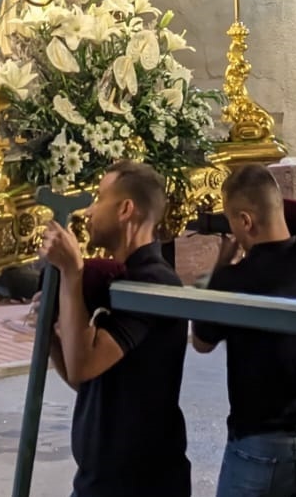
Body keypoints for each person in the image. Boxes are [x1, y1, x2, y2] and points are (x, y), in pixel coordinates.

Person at [192, 163, 296, 497]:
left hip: (260, 450)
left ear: (245, 221)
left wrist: (221, 266)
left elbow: (201, 341)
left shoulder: (233, 280)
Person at [40, 160, 190, 497]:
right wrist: (50, 334)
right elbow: (83, 379)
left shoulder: (154, 282)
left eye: (99, 198)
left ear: (125, 209)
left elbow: (84, 364)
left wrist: (72, 273)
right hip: (97, 479)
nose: (89, 211)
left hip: (141, 484)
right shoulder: (115, 279)